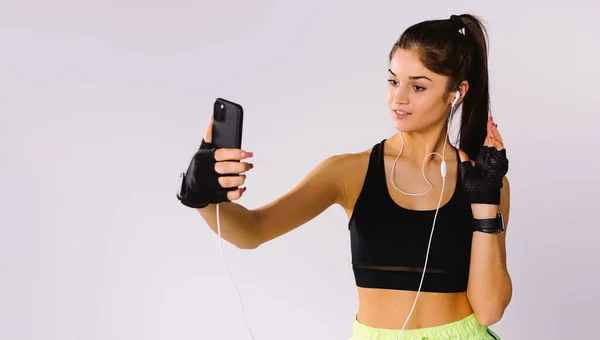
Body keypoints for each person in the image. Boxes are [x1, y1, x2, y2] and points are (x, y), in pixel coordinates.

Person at [177, 13, 511, 340]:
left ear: (457, 92)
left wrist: (484, 201)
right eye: (393, 80)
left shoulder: (483, 181)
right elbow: (252, 231)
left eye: (418, 86)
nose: (399, 97)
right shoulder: (348, 172)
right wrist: (199, 195)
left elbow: (489, 310)